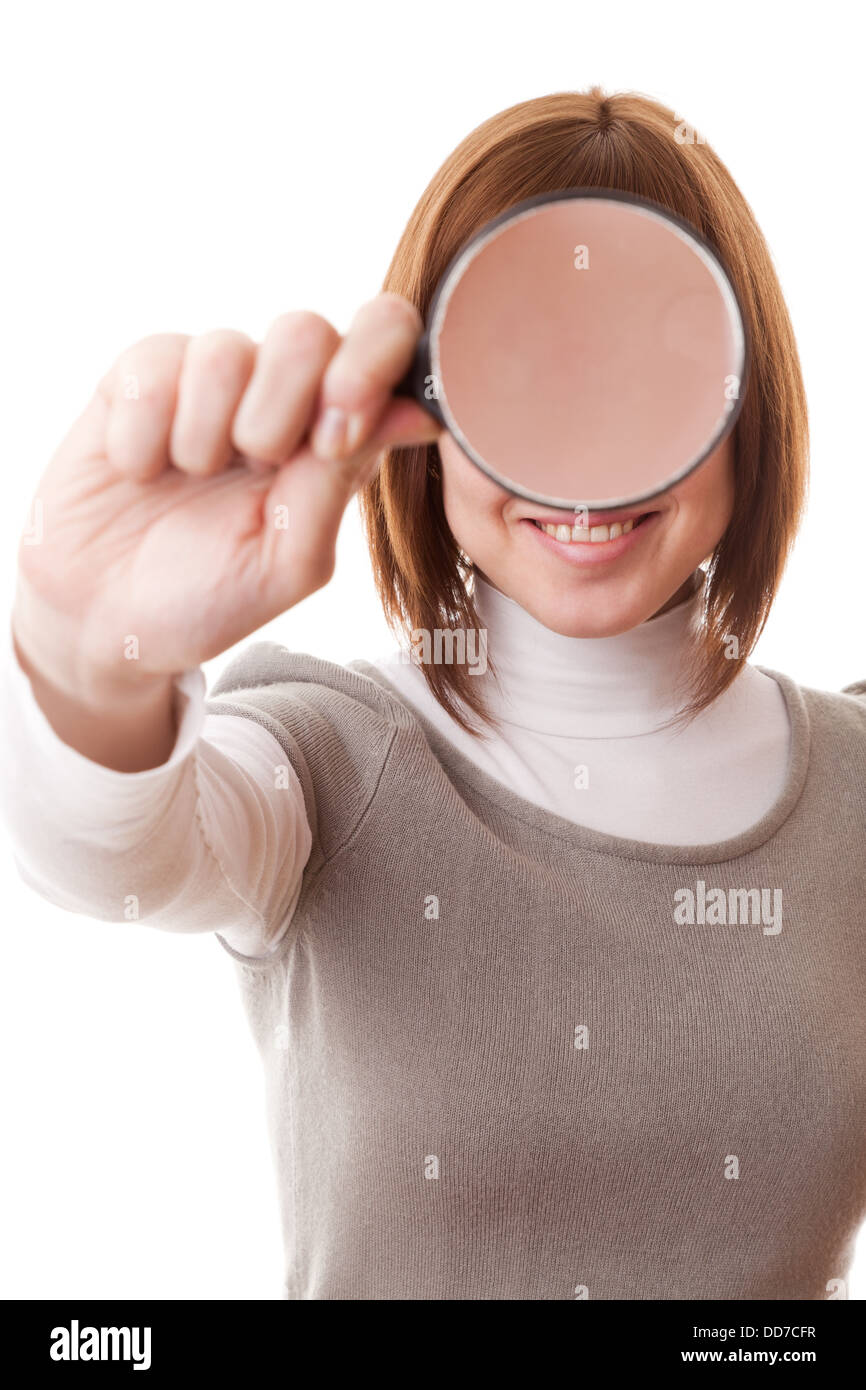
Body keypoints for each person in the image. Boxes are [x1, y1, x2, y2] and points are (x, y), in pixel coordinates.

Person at [3, 86, 864, 1301]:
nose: (585, 450)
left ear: (747, 403)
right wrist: (91, 659)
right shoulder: (326, 759)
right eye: (523, 366)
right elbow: (108, 857)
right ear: (426, 399)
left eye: (649, 359)